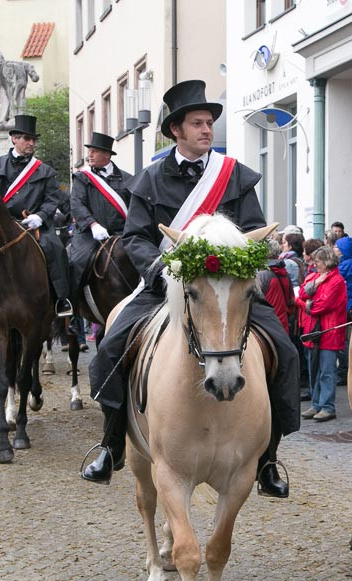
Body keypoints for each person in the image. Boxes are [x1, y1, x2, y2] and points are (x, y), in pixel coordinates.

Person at [83, 79, 300, 499]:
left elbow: (253, 229)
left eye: (209, 123)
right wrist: (160, 268)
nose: (207, 130)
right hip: (167, 283)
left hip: (226, 291)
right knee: (111, 347)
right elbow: (135, 238)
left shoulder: (233, 175)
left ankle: (269, 458)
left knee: (285, 352)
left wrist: (252, 264)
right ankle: (111, 446)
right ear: (176, 131)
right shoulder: (149, 179)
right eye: (198, 123)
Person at [0, 115, 73, 319]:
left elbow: (52, 198)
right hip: (0, 225)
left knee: (55, 247)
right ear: (14, 139)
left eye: (33, 140)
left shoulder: (45, 171)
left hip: (33, 225)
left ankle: (61, 299)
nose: (31, 143)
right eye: (26, 139)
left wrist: (41, 216)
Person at [68, 132, 133, 294]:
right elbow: (77, 203)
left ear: (107, 154)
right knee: (76, 262)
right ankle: (72, 303)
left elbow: (134, 207)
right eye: (89, 151)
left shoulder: (127, 179)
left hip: (120, 233)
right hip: (89, 234)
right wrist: (93, 224)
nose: (89, 155)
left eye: (94, 151)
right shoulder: (82, 177)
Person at [299, 246, 347, 421]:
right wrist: (316, 285)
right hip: (314, 331)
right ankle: (317, 404)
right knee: (314, 370)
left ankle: (327, 406)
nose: (314, 264)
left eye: (317, 261)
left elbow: (320, 306)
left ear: (326, 261)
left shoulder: (336, 281)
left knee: (326, 371)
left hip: (329, 332)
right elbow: (302, 294)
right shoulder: (315, 277)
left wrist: (306, 304)